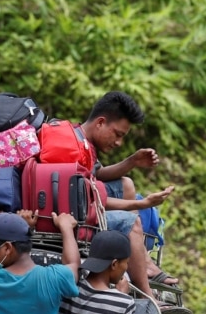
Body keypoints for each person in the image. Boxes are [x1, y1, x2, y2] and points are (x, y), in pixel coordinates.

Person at [74, 91, 177, 299]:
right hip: (78, 212)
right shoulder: (74, 148)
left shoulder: (81, 138)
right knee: (131, 222)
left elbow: (97, 175)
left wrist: (132, 162)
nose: (119, 142)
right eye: (118, 134)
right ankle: (149, 297)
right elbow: (90, 199)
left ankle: (141, 259)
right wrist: (142, 204)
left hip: (86, 198)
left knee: (126, 184)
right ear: (100, 123)